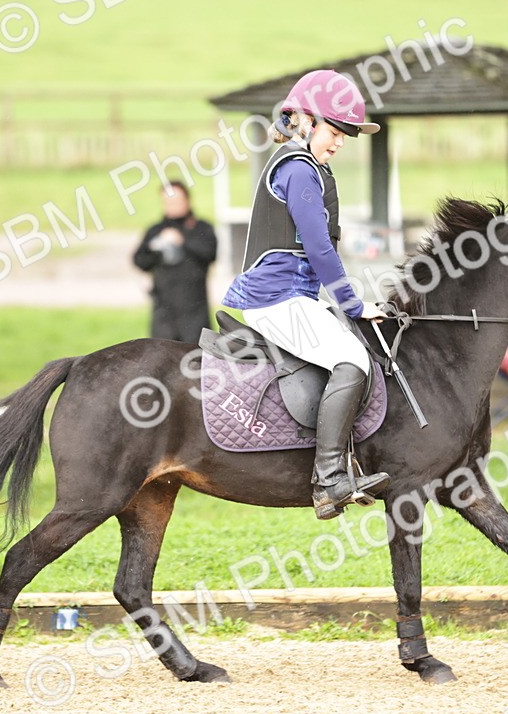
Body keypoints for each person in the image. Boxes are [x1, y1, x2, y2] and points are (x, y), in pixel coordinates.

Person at [221, 69, 390, 521]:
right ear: (305, 122)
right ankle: (330, 479)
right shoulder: (297, 169)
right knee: (352, 360)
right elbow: (318, 248)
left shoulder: (309, 167)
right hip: (273, 298)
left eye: (343, 136)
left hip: (295, 296)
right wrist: (352, 305)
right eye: (334, 131)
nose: (338, 143)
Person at [133, 181, 217, 343]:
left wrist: (182, 241)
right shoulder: (156, 230)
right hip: (164, 313)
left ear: (187, 200)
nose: (172, 206)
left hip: (194, 311)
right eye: (168, 202)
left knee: (195, 361)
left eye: (177, 201)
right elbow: (140, 261)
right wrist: (156, 247)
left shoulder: (201, 228)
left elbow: (210, 253)